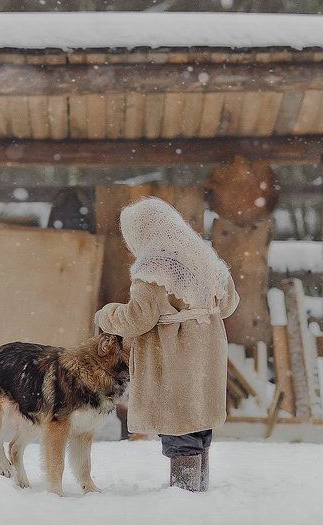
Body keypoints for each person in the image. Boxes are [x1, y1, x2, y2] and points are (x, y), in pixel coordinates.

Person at [94, 197, 239, 491]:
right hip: (208, 353)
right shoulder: (207, 259)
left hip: (175, 356)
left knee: (179, 424)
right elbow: (228, 305)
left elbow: (139, 319)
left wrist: (107, 315)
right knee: (198, 421)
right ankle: (199, 489)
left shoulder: (153, 267)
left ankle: (183, 498)